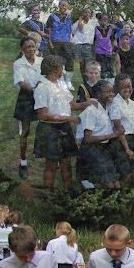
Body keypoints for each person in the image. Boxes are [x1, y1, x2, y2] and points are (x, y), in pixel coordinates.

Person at [34, 55, 87, 190]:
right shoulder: (42, 87)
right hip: (49, 129)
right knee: (51, 164)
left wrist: (89, 103)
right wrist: (69, 119)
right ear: (54, 69)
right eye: (62, 67)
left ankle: (68, 192)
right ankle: (47, 195)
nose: (64, 70)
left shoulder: (62, 84)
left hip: (64, 127)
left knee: (66, 162)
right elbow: (43, 115)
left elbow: (73, 105)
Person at [76, 80, 124, 188]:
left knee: (116, 183)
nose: (111, 94)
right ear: (98, 94)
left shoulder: (108, 107)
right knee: (109, 185)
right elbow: (88, 138)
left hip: (104, 149)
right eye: (107, 92)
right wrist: (113, 135)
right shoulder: (91, 111)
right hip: (91, 150)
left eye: (112, 91)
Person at [13, 36, 43, 180]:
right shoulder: (18, 64)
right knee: (25, 132)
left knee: (46, 128)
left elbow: (47, 77)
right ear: (22, 50)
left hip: (42, 97)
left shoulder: (42, 61)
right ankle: (23, 162)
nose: (31, 49)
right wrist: (34, 89)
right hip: (26, 97)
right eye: (27, 47)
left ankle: (49, 157)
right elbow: (21, 82)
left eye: (33, 46)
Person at [109, 74, 134, 188]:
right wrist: (127, 149)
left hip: (133, 139)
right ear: (117, 88)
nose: (128, 89)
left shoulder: (132, 103)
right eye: (124, 87)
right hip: (121, 141)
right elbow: (118, 128)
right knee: (125, 175)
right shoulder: (115, 103)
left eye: (130, 86)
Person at [46, 0, 74, 85]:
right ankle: (58, 80)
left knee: (69, 61)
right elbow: (48, 30)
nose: (64, 7)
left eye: (66, 6)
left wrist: (72, 40)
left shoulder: (69, 17)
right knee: (56, 61)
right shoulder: (52, 16)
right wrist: (50, 42)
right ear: (59, 6)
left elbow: (71, 29)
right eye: (63, 5)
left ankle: (68, 81)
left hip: (67, 42)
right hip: (55, 42)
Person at [72, 9, 95, 78]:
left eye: (88, 12)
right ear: (82, 13)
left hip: (88, 45)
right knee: (81, 63)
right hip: (78, 44)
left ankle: (88, 78)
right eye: (85, 12)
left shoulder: (93, 22)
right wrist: (79, 20)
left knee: (88, 63)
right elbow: (72, 31)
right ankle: (84, 78)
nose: (87, 14)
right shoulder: (77, 22)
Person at [93, 13, 115, 78]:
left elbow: (113, 40)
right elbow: (93, 40)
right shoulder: (95, 29)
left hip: (108, 51)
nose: (105, 21)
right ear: (99, 21)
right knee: (102, 69)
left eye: (106, 20)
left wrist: (113, 49)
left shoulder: (110, 29)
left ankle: (111, 84)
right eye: (103, 19)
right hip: (99, 52)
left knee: (110, 69)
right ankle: (102, 84)